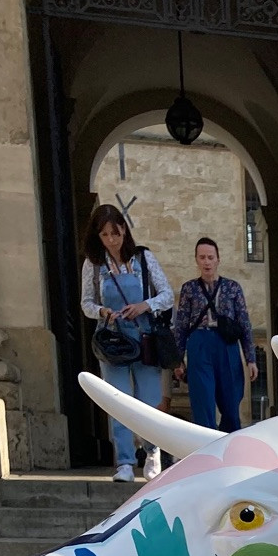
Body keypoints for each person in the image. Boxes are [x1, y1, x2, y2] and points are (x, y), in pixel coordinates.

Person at [79, 205, 174, 483]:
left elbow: (167, 294)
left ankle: (152, 451)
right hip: (112, 340)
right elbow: (86, 303)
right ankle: (124, 461)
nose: (112, 240)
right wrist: (102, 311)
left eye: (116, 233)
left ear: (124, 230)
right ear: (97, 236)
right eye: (105, 234)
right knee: (117, 400)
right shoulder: (93, 265)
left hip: (144, 336)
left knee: (149, 399)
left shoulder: (144, 258)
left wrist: (145, 305)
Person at [172, 237, 257, 434]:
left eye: (210, 257)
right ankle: (207, 447)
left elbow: (244, 323)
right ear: (196, 260)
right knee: (203, 402)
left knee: (231, 402)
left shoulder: (233, 288)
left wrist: (250, 358)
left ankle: (230, 448)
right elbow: (181, 325)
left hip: (226, 345)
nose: (207, 262)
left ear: (218, 259)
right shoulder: (189, 289)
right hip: (199, 344)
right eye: (202, 257)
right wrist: (178, 360)